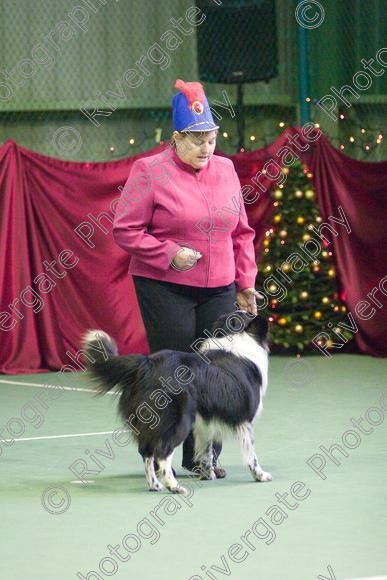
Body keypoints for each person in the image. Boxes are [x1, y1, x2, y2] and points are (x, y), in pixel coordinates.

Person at [113, 79, 260, 478]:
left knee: (214, 374)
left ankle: (204, 458)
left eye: (210, 139)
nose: (205, 149)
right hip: (166, 288)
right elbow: (125, 230)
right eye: (196, 140)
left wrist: (245, 282)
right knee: (177, 373)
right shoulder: (149, 171)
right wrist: (169, 254)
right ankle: (159, 454)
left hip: (221, 288)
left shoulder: (227, 170)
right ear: (176, 138)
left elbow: (242, 232)